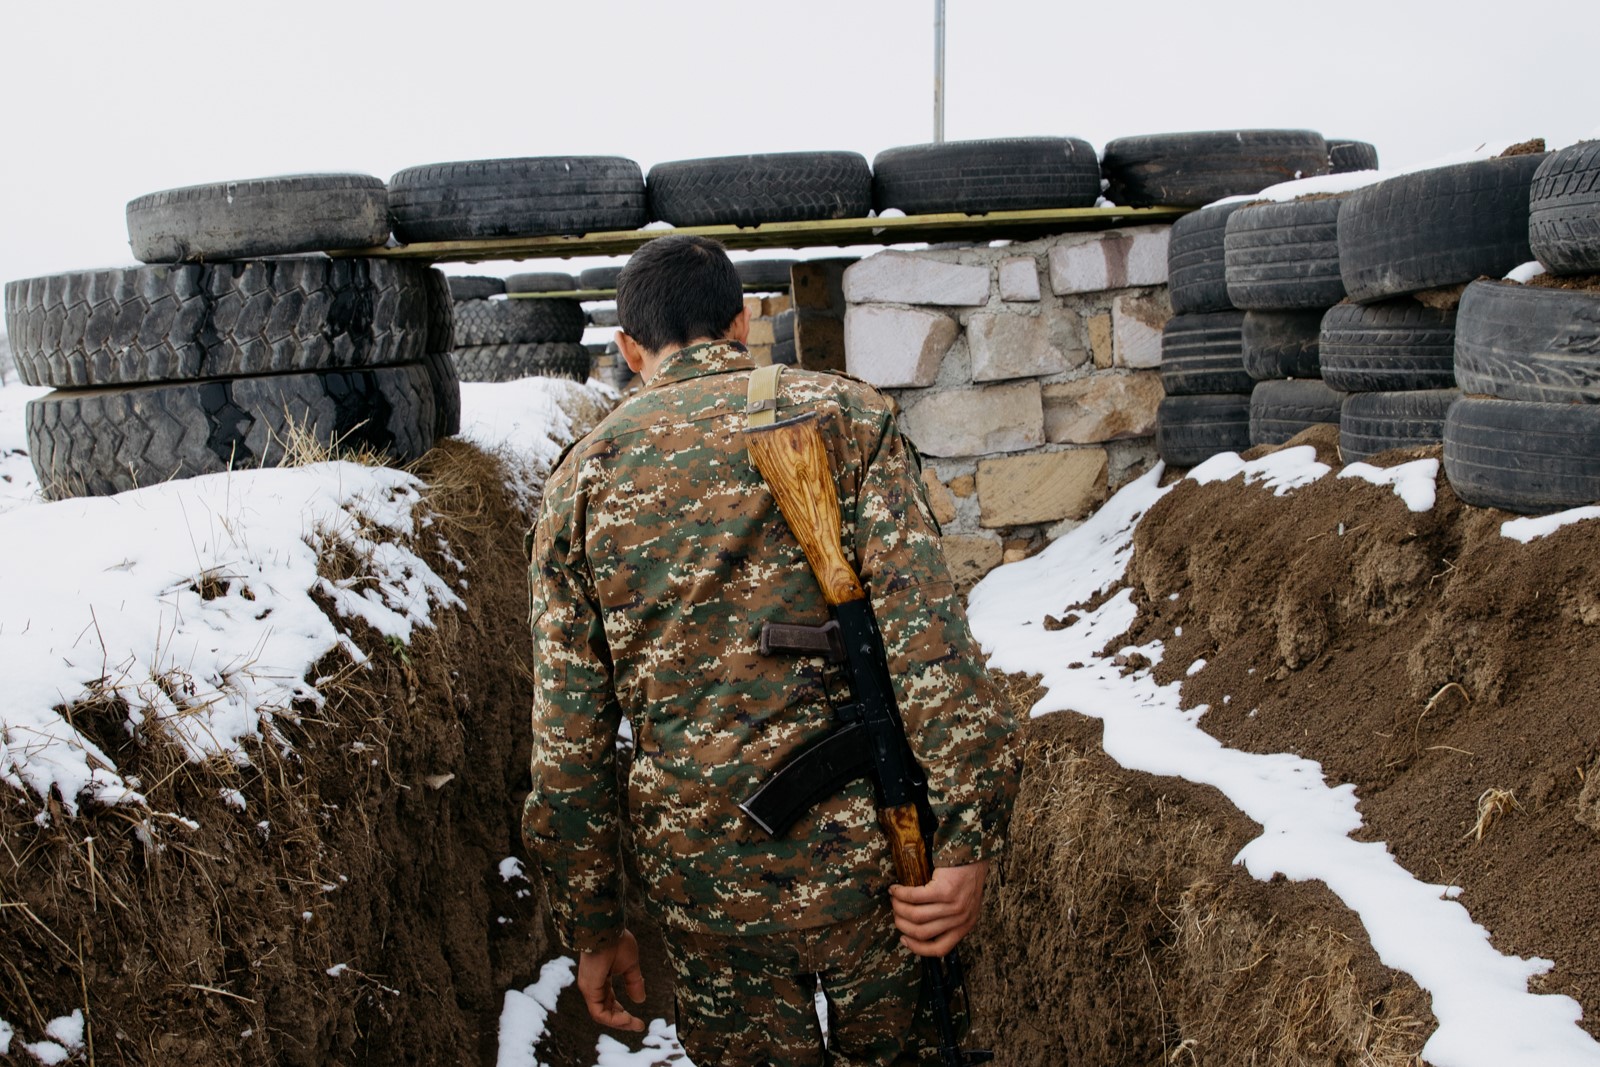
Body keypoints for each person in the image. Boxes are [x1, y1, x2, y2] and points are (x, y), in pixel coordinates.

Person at [522, 234, 1020, 1065]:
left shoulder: (579, 482)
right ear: (744, 321)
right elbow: (932, 649)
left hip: (706, 886)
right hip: (878, 869)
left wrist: (595, 920)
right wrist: (968, 839)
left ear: (628, 348)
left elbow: (568, 746)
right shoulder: (846, 418)